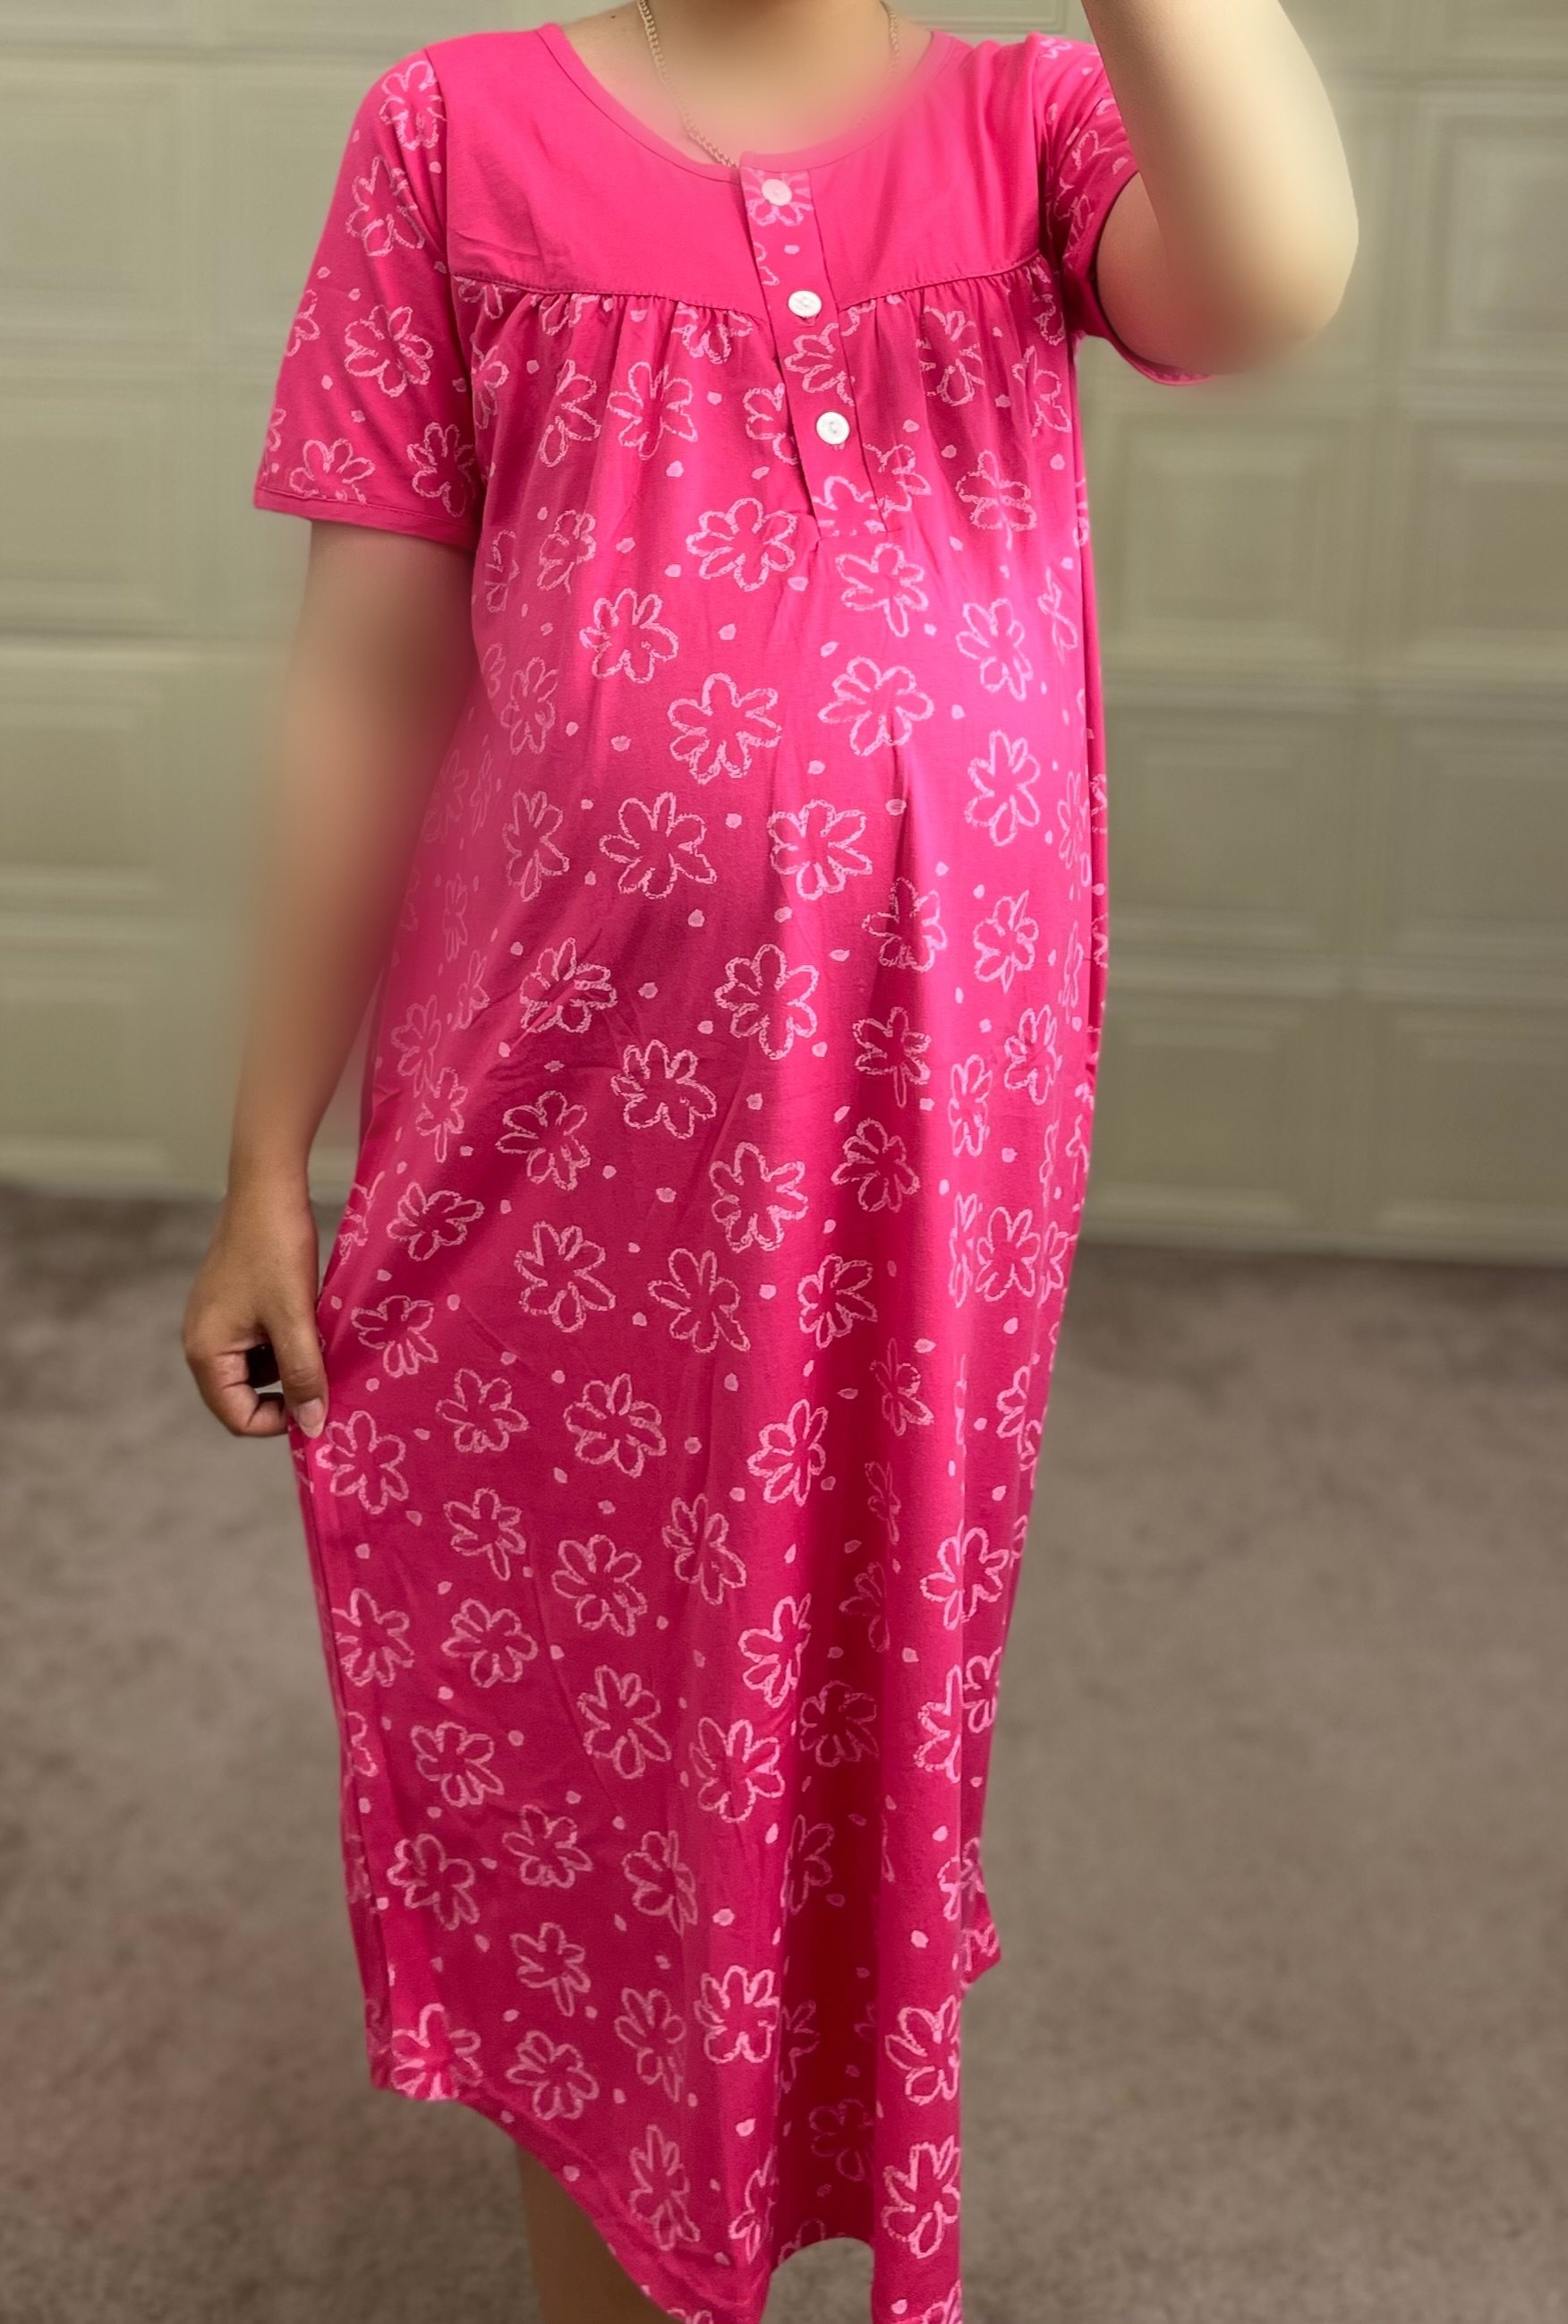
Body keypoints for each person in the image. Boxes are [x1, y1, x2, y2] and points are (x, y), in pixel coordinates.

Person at [183, 4, 1355, 2319]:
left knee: (839, 1688)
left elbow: (1273, 278)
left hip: (918, 1149)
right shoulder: (451, 131)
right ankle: (611, 2238)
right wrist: (262, 1157)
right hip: (555, 1119)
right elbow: (367, 668)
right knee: (578, 1718)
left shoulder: (1035, 125)